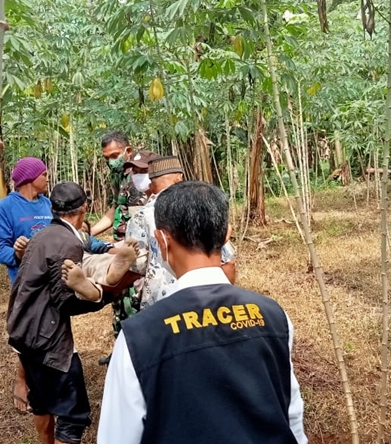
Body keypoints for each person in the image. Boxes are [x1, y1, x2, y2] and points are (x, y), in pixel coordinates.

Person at [97, 181, 307, 444]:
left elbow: (117, 437)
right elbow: (292, 417)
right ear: (227, 234)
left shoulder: (138, 338)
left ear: (162, 240)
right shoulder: (274, 316)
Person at [8, 182, 124, 444]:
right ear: (84, 207)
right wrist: (103, 298)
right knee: (73, 416)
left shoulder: (42, 235)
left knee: (42, 403)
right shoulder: (68, 242)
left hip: (23, 331)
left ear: (52, 208)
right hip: (48, 338)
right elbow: (65, 302)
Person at [126, 156, 237, 309]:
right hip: (210, 301)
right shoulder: (205, 208)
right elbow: (228, 263)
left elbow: (136, 265)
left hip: (160, 305)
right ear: (180, 179)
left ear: (151, 184)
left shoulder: (140, 216)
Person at [0, 157, 52, 412]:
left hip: (53, 280)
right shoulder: (5, 207)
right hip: (25, 282)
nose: (48, 178)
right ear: (29, 178)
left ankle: (48, 380)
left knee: (51, 329)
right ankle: (21, 379)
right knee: (27, 335)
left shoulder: (48, 203)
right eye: (44, 174)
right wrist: (16, 254)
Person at [90, 132, 151, 365]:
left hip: (135, 250)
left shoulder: (139, 175)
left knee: (134, 300)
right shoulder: (117, 176)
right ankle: (120, 352)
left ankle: (137, 356)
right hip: (120, 250)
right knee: (119, 300)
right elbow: (114, 210)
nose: (110, 161)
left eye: (114, 155)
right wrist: (89, 233)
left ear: (128, 150)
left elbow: (140, 220)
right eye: (106, 157)